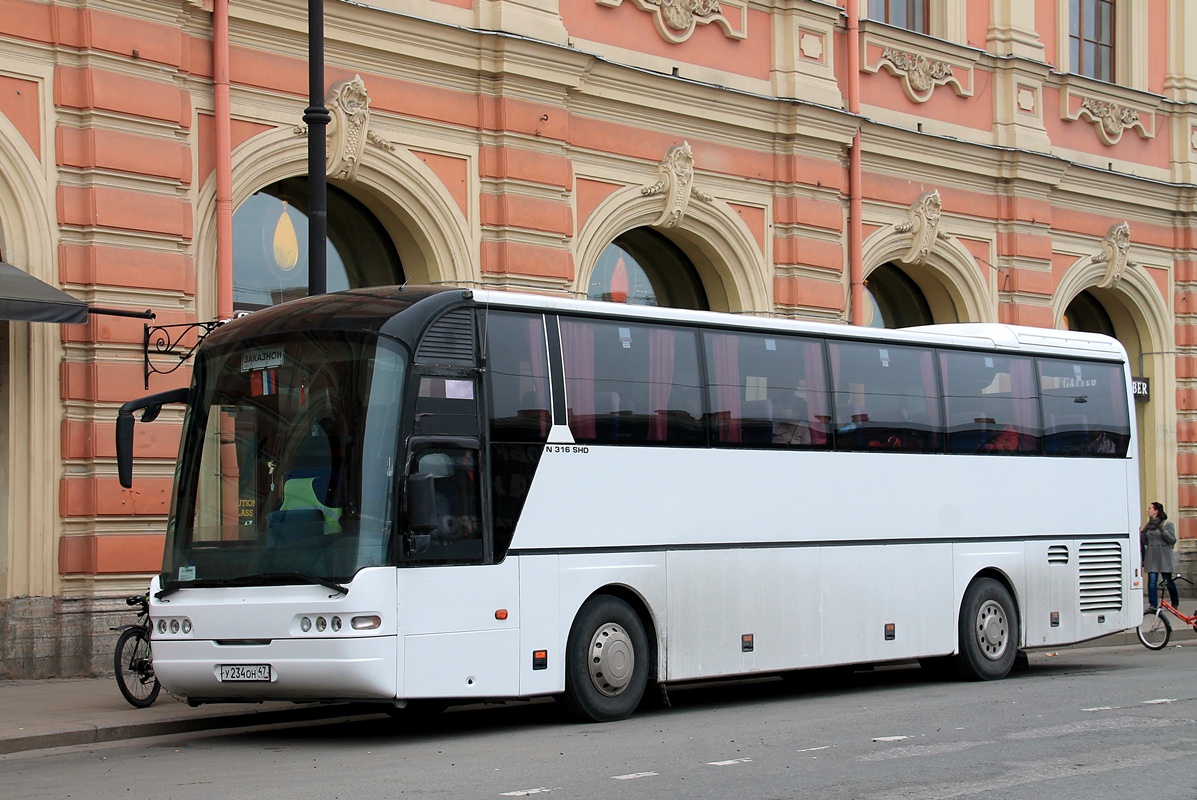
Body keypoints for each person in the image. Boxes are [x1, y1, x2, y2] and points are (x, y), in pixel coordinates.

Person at [1140, 501, 1178, 610]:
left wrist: (1163, 531)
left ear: (1156, 511)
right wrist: (1143, 532)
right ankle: (1153, 605)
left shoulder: (1167, 524)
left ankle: (1174, 601)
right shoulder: (1149, 525)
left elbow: (1172, 540)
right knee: (1152, 581)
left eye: (1150, 508)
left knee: (1168, 581)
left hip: (1163, 556)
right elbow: (1145, 542)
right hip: (1152, 556)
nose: (1148, 510)